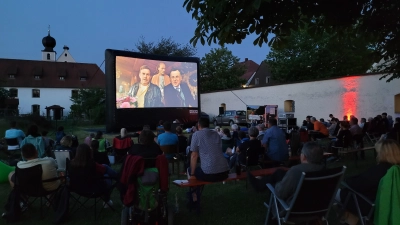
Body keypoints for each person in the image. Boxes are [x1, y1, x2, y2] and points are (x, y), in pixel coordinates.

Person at [337, 139, 400, 225]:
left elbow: (358, 184)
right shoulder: (396, 169)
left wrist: (346, 180)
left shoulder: (381, 170)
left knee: (336, 194)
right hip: (390, 205)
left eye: (378, 152)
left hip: (374, 205)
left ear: (383, 154)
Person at [189, 117, 229, 182]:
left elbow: (194, 155)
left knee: (190, 171)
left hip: (209, 173)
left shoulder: (196, 135)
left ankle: (195, 192)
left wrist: (192, 174)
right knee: (200, 168)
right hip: (224, 171)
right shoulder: (216, 134)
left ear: (198, 125)